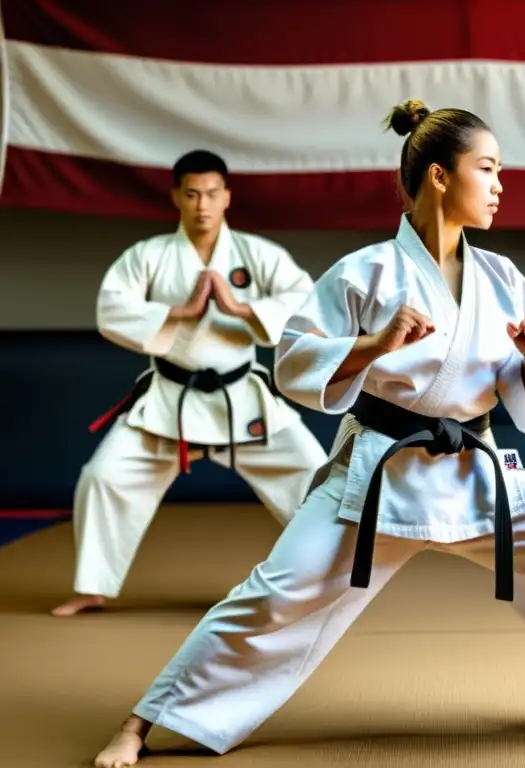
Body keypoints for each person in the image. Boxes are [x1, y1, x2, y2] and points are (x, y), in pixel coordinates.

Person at [92, 100, 525, 768]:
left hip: (473, 468)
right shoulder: (365, 273)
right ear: (440, 177)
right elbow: (296, 363)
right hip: (379, 476)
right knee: (276, 594)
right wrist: (373, 343)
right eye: (488, 168)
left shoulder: (502, 278)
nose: (502, 185)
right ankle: (143, 721)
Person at [53, 150, 328, 618]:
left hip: (241, 399)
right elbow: (111, 307)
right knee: (103, 478)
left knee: (318, 478)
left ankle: (328, 583)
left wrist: (240, 308)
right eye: (193, 194)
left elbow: (307, 301)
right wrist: (178, 312)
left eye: (212, 194)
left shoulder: (257, 254)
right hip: (168, 401)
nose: (203, 204)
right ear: (177, 197)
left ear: (227, 198)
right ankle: (93, 588)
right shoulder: (148, 255)